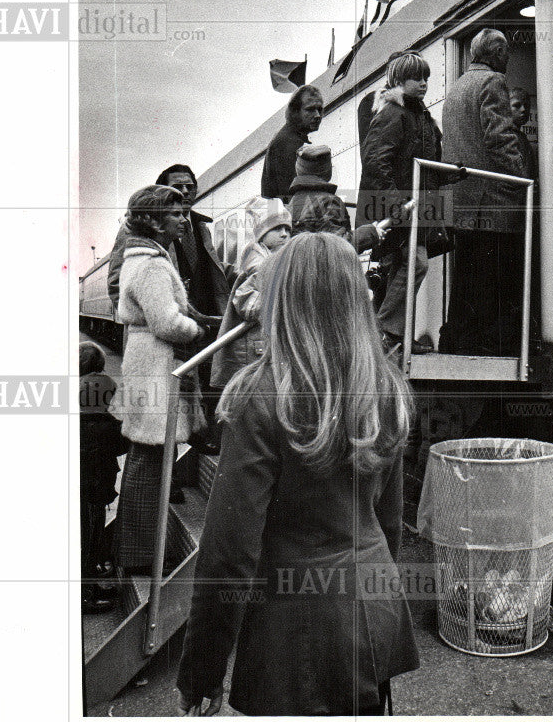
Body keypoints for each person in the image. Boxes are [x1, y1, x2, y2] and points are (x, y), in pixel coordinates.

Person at [177, 234, 419, 716]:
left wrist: (203, 667)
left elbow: (229, 552)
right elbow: (389, 524)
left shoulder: (260, 395)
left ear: (282, 298)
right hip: (372, 606)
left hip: (293, 628)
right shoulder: (387, 388)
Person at [108, 185, 207, 575]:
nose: (184, 219)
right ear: (151, 219)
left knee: (143, 461)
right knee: (150, 465)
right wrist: (197, 331)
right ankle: (142, 556)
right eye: (175, 213)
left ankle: (136, 551)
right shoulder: (152, 265)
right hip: (156, 365)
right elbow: (166, 323)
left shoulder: (140, 259)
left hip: (143, 362)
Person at [108, 165, 228, 454]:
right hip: (165, 335)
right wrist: (144, 315)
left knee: (184, 406)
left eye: (190, 185)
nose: (186, 191)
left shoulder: (200, 226)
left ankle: (179, 469)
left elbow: (213, 270)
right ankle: (166, 484)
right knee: (160, 414)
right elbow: (117, 281)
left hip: (193, 326)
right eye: (178, 187)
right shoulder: (140, 236)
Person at [438, 29, 529, 356]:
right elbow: (500, 141)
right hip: (491, 202)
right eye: (505, 52)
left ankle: (455, 342)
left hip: (462, 200)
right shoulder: (492, 83)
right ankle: (490, 346)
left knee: (466, 280)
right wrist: (522, 180)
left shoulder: (458, 86)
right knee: (494, 279)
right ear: (495, 54)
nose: (507, 59)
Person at [356, 51, 442, 355]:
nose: (423, 84)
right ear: (398, 80)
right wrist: (395, 203)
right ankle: (386, 329)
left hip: (413, 206)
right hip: (400, 207)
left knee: (402, 268)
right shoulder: (394, 113)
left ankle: (397, 334)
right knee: (415, 264)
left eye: (426, 78)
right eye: (416, 78)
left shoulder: (417, 114)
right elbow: (376, 160)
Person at [209, 205, 292, 402]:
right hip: (252, 348)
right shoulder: (259, 263)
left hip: (259, 345)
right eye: (277, 229)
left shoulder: (270, 260)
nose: (284, 234)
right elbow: (246, 300)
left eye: (288, 229)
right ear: (261, 234)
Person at [79, 341, 126, 613]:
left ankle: (89, 585)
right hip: (95, 489)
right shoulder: (105, 422)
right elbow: (121, 444)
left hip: (87, 487)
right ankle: (86, 594)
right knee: (88, 537)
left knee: (86, 535)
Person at [289, 143, 392, 251]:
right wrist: (372, 233)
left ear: (299, 171)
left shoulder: (292, 203)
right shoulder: (327, 202)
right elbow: (339, 246)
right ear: (327, 171)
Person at [260, 84, 324, 200]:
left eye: (319, 109)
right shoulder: (288, 143)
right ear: (295, 111)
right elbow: (292, 196)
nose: (317, 115)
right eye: (310, 109)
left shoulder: (288, 138)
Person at [510, 87, 538, 181]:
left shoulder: (521, 137)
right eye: (517, 105)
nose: (523, 109)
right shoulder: (507, 137)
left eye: (526, 105)